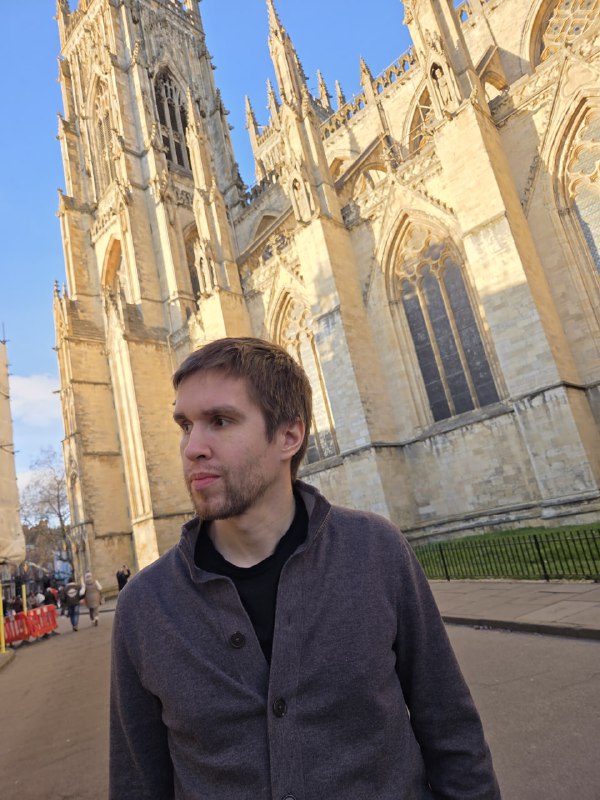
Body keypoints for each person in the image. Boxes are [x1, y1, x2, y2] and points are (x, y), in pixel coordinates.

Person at [110, 337, 500, 800]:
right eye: (185, 425)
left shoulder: (375, 552)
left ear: (289, 436)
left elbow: (452, 731)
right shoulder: (145, 606)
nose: (192, 447)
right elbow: (137, 782)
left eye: (220, 421)